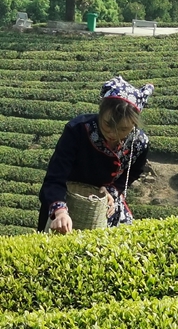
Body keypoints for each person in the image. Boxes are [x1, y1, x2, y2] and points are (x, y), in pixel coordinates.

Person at [38, 76, 154, 233]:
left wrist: (113, 191)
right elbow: (55, 176)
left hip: (105, 206)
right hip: (64, 201)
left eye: (122, 129)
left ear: (134, 124)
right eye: (107, 124)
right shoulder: (78, 130)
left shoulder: (139, 142)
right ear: (100, 111)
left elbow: (134, 171)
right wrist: (60, 212)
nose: (113, 134)